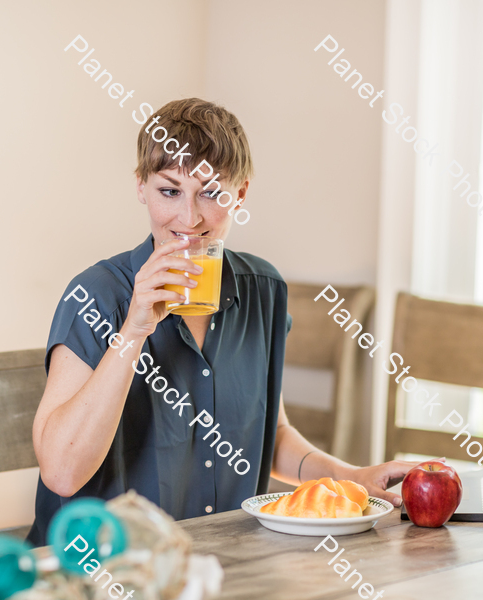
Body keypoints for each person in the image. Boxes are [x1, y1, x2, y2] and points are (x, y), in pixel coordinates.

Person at [26, 98, 418, 546]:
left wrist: (350, 475)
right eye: (169, 191)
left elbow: (272, 436)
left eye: (212, 192)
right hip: (103, 569)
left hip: (222, 563)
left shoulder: (263, 289)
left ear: (241, 194)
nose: (189, 219)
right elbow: (61, 472)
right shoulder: (98, 295)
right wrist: (133, 332)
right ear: (141, 187)